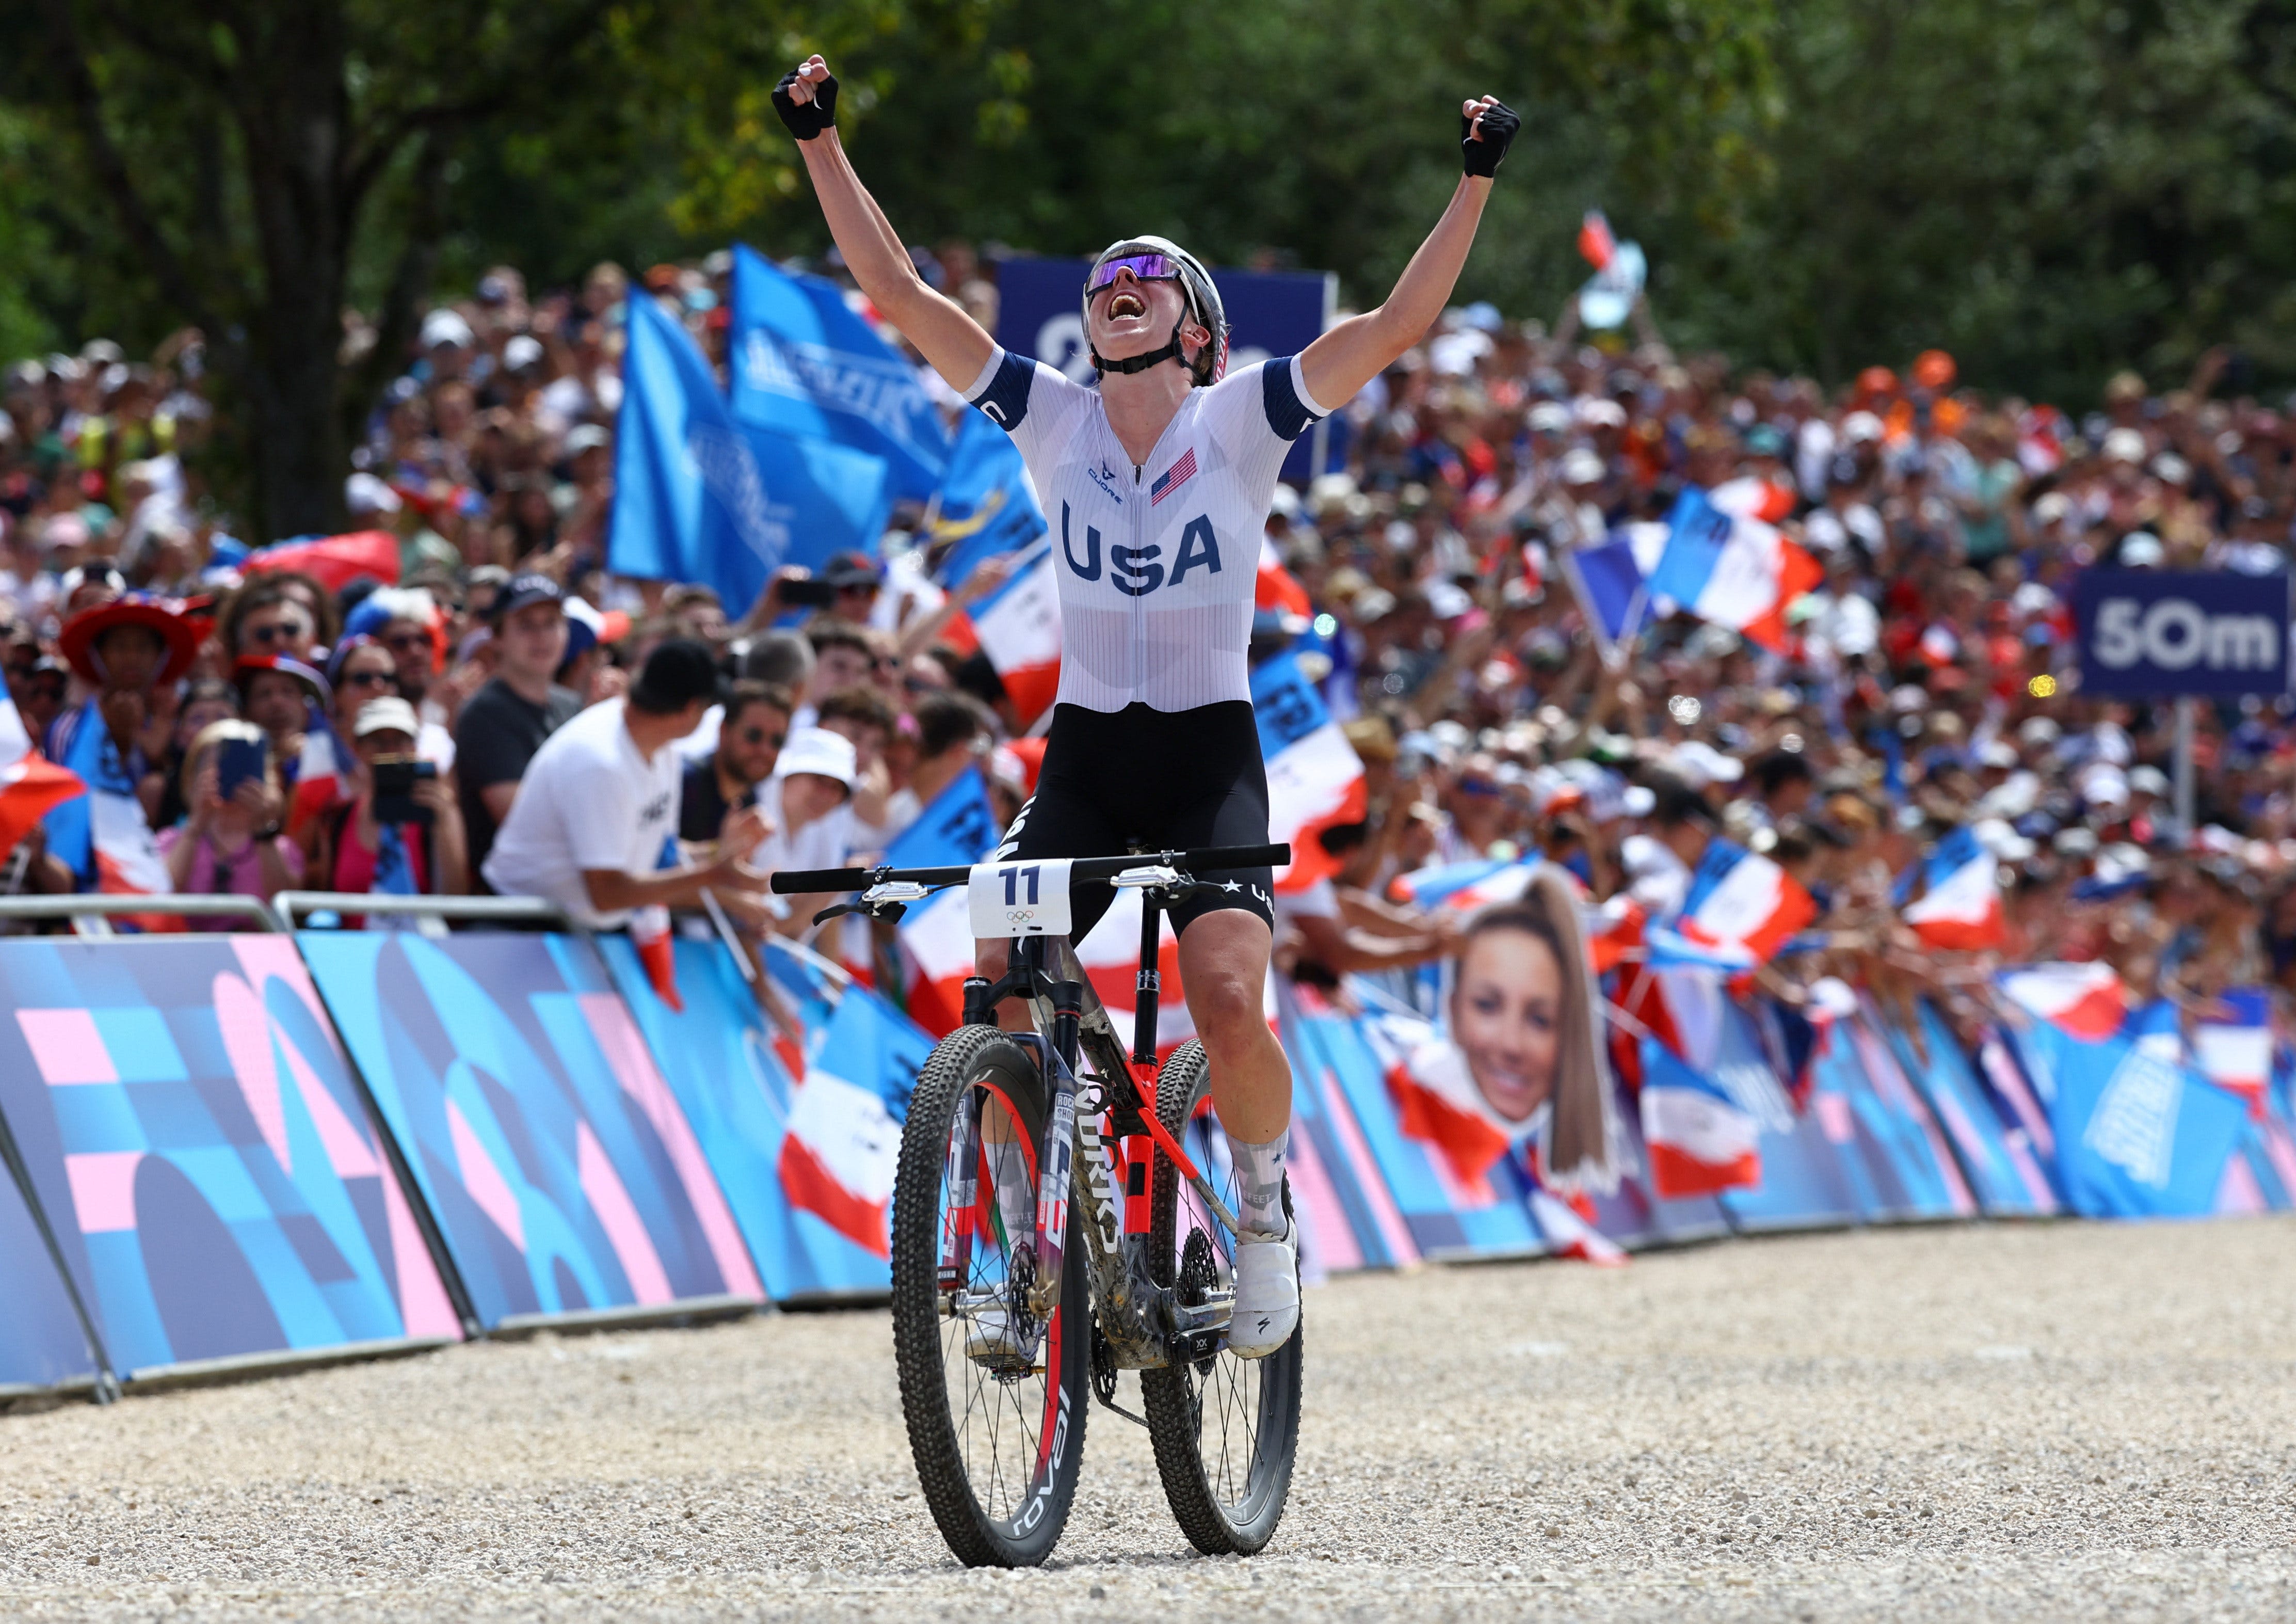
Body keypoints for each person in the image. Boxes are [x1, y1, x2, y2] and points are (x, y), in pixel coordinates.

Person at [778, 50, 1517, 1357]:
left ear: (1193, 328)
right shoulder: (1046, 418)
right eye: (1099, 284)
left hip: (1206, 754)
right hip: (1085, 756)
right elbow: (895, 290)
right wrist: (818, 139)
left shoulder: (1244, 422)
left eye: (1142, 283)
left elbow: (1394, 325)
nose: (1111, 294)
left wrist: (1472, 179)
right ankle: (1024, 1242)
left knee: (1226, 995)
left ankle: (1264, 1210)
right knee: (996, 973)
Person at [483, 639, 769, 929]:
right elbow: (607, 894)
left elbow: (659, 853)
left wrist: (719, 851)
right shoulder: (600, 762)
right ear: (691, 709)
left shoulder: (662, 748)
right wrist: (713, 876)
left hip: (574, 933)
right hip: (519, 929)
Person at [453, 573, 581, 884]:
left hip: (569, 893)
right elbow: (525, 822)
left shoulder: (572, 706)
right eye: (526, 625)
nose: (542, 637)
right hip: (512, 909)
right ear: (497, 637)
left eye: (551, 622)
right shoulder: (485, 714)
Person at [311, 696, 470, 909]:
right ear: (356, 748)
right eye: (377, 740)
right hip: (352, 941)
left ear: (414, 747)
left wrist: (442, 826)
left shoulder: (440, 812)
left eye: (401, 740)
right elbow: (327, 900)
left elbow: (455, 903)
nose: (390, 750)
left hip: (420, 941)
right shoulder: (338, 815)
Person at [158, 719, 301, 900]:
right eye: (220, 763)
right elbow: (164, 896)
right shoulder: (169, 842)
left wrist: (263, 831)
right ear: (193, 776)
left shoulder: (282, 849)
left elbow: (282, 902)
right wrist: (195, 826)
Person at [679, 679, 792, 843]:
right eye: (754, 735)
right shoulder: (685, 782)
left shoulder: (750, 799)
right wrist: (720, 852)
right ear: (724, 730)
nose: (765, 750)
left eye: (777, 741)